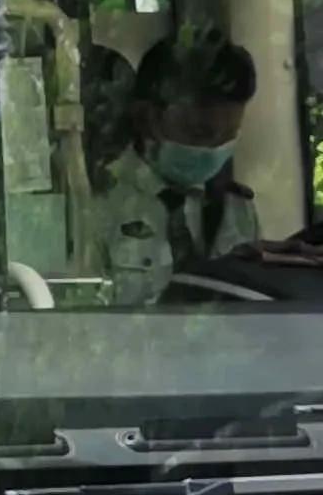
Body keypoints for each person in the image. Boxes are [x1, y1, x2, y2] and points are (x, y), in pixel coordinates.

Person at [91, 27, 264, 303]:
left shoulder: (237, 211)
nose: (213, 150)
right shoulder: (98, 206)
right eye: (200, 133)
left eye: (228, 137)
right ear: (146, 117)